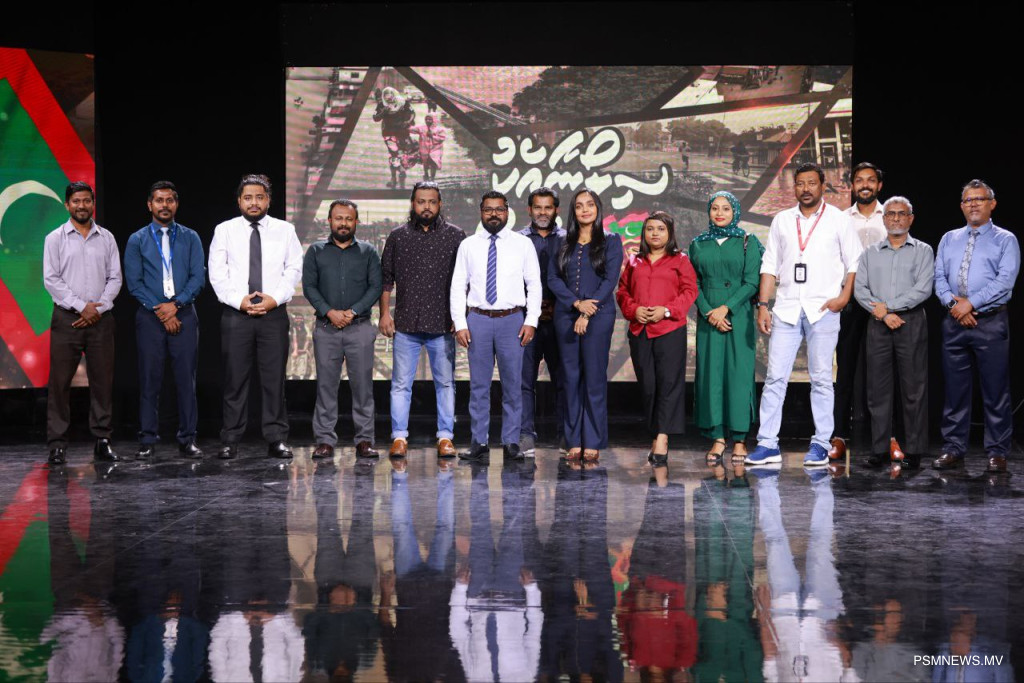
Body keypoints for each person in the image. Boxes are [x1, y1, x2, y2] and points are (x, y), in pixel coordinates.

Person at [746, 162, 862, 468]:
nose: (806, 188)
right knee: (775, 378)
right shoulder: (783, 220)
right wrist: (763, 305)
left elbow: (854, 263)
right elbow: (770, 265)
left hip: (823, 309)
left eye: (812, 183)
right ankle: (767, 444)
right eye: (800, 183)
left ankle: (821, 443)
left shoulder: (838, 219)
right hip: (786, 308)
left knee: (821, 379)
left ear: (822, 186)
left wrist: (843, 298)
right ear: (794, 187)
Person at [208, 174, 302, 460]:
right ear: (239, 201)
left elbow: (293, 269)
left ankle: (276, 438)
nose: (254, 202)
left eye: (259, 197)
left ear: (268, 200)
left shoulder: (285, 230)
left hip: (273, 315)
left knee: (274, 380)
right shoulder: (224, 230)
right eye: (248, 197)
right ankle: (230, 439)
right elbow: (217, 273)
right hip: (237, 315)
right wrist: (240, 301)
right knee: (235, 380)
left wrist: (274, 299)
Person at [933, 180, 1020, 473]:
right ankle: (953, 448)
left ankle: (997, 451)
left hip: (991, 323)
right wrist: (954, 306)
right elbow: (939, 278)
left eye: (979, 199)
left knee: (995, 391)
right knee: (955, 390)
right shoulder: (949, 238)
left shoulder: (1005, 240)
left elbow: (1005, 281)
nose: (973, 204)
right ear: (962, 206)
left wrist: (970, 304)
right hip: (954, 322)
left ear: (991, 204)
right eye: (968, 200)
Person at [451, 191, 541, 462]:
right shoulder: (468, 245)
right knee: (479, 386)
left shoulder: (522, 244)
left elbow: (534, 284)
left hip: (512, 320)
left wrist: (531, 320)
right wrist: (460, 323)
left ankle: (511, 442)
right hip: (477, 319)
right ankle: (479, 442)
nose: (494, 214)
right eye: (488, 209)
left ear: (507, 212)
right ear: (481, 212)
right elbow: (458, 285)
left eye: (499, 209)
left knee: (513, 385)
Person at [379, 181, 467, 458]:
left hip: (442, 324)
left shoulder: (456, 236)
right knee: (400, 385)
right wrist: (384, 314)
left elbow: (465, 281)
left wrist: (460, 316)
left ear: (439, 204)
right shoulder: (398, 236)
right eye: (421, 201)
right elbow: (386, 280)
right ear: (413, 204)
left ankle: (445, 437)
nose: (426, 207)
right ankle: (399, 437)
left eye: (431, 202)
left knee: (446, 384)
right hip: (406, 324)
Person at [123, 181, 205, 460]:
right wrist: (162, 311)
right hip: (150, 317)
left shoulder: (191, 237)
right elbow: (134, 283)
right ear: (150, 205)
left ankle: (188, 438)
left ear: (176, 204)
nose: (164, 205)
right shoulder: (137, 240)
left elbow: (197, 278)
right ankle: (147, 439)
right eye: (159, 200)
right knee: (149, 379)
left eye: (170, 200)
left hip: (184, 315)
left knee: (186, 380)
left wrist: (177, 305)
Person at [42, 181, 122, 465]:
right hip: (67, 319)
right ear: (67, 205)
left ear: (93, 204)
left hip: (101, 318)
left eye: (87, 200)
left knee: (102, 382)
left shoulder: (107, 238)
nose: (82, 206)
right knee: (59, 384)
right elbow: (51, 279)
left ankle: (102, 440)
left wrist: (99, 307)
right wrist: (80, 307)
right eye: (76, 201)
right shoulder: (55, 238)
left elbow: (115, 278)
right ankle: (57, 444)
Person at [854, 196, 934, 470]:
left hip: (910, 322)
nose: (896, 218)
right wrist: (883, 314)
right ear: (884, 218)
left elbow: (923, 289)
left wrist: (889, 308)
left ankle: (914, 450)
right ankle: (879, 449)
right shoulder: (870, 253)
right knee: (877, 390)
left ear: (911, 218)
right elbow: (860, 289)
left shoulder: (923, 251)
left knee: (914, 389)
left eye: (902, 214)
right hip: (878, 323)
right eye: (891, 214)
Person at [303, 199, 383, 460]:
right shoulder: (316, 251)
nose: (344, 223)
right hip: (326, 328)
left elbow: (375, 287)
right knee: (326, 387)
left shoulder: (368, 252)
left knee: (363, 388)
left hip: (359, 328)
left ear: (356, 222)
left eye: (349, 219)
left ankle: (364, 440)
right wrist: (330, 312)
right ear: (330, 221)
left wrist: (352, 312)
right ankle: (325, 440)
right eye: (339, 218)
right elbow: (309, 287)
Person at [548, 188, 623, 462]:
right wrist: (576, 304)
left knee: (593, 377)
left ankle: (592, 439)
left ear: (597, 208)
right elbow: (553, 279)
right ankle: (573, 440)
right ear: (573, 211)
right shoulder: (561, 241)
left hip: (599, 316)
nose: (584, 210)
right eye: (579, 206)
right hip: (566, 315)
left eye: (590, 205)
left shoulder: (611, 241)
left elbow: (610, 280)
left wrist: (588, 310)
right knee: (570, 378)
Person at [616, 211, 697, 465]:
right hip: (640, 330)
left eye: (661, 229)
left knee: (668, 385)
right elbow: (622, 292)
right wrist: (634, 310)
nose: (655, 233)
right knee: (649, 386)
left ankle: (662, 439)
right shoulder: (634, 261)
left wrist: (667, 310)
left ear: (669, 233)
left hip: (669, 330)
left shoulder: (680, 260)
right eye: (650, 229)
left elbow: (690, 291)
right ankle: (655, 434)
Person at [688, 191, 762, 463]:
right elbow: (692, 282)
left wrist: (726, 308)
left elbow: (752, 282)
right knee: (711, 375)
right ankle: (718, 437)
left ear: (735, 212)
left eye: (726, 208)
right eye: (715, 208)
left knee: (738, 374)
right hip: (708, 317)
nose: (719, 213)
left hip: (738, 314)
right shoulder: (698, 244)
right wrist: (709, 311)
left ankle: (740, 439)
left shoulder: (748, 241)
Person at [831, 161, 886, 457]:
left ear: (879, 185)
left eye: (871, 180)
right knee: (846, 371)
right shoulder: (841, 219)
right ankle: (839, 435)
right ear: (851, 186)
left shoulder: (890, 215)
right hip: (850, 301)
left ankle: (888, 437)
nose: (865, 185)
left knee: (884, 372)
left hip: (882, 303)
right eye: (859, 180)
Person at [519, 187, 567, 457]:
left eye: (548, 207)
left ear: (556, 210)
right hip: (527, 321)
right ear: (529, 210)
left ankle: (565, 434)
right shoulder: (518, 240)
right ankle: (525, 435)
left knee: (563, 380)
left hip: (560, 320)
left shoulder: (569, 240)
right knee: (524, 381)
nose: (543, 212)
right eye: (538, 207)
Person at [372, 86, 416, 189]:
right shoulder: (381, 105)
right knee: (393, 154)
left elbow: (412, 113)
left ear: (394, 94)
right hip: (389, 133)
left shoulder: (403, 103)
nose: (388, 98)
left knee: (403, 154)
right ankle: (395, 177)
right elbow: (375, 118)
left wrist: (408, 122)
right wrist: (383, 112)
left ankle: (401, 172)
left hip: (402, 132)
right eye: (386, 96)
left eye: (390, 95)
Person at [408, 114, 446, 180]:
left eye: (430, 119)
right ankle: (426, 174)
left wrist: (432, 136)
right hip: (424, 148)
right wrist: (407, 124)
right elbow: (412, 129)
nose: (427, 121)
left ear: (434, 120)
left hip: (435, 149)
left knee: (433, 163)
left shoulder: (439, 129)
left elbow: (442, 138)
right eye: (426, 119)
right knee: (425, 162)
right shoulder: (422, 128)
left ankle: (432, 178)